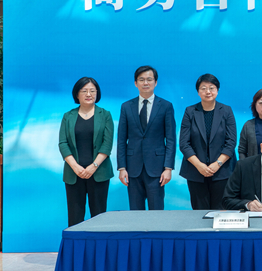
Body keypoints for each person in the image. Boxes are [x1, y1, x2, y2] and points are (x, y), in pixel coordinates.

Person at [116, 66, 176, 210]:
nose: (145, 83)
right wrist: (122, 168)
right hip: (133, 168)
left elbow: (171, 140)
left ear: (156, 82)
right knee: (136, 212)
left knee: (156, 211)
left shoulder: (166, 106)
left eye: (149, 79)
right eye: (141, 80)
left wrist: (168, 168)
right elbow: (121, 140)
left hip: (157, 168)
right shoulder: (126, 106)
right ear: (135, 83)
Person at [58, 77, 114, 226]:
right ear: (77, 94)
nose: (89, 94)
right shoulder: (68, 116)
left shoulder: (105, 115)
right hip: (74, 174)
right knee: (75, 217)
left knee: (99, 217)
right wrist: (75, 167)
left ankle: (99, 243)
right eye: (84, 91)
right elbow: (63, 143)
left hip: (99, 173)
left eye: (92, 91)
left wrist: (93, 166)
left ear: (97, 93)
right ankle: (76, 243)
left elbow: (107, 144)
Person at [178, 74, 237, 210]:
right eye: (203, 88)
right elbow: (184, 143)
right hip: (195, 171)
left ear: (217, 90)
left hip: (222, 171)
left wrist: (218, 164)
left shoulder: (226, 110)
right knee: (199, 212)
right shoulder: (190, 111)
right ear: (198, 91)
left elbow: (231, 141)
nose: (208, 91)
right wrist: (199, 165)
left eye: (212, 88)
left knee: (220, 211)